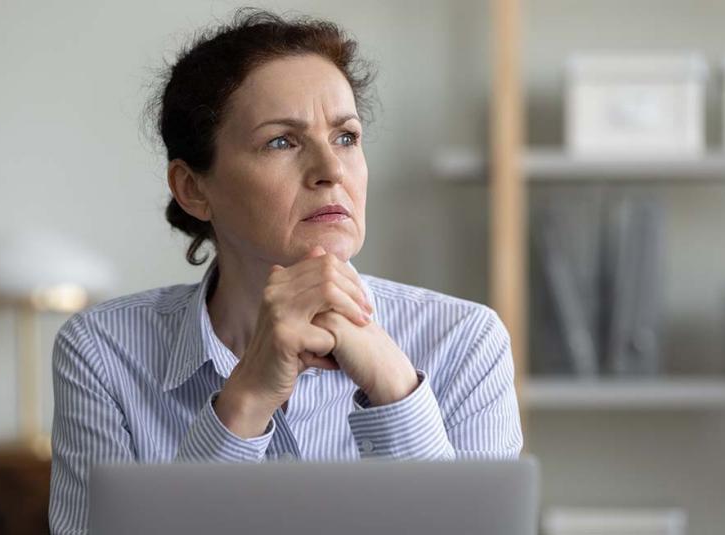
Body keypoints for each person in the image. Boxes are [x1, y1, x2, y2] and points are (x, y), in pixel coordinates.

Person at [49, 8, 522, 534]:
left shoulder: (465, 342)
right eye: (282, 141)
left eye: (345, 136)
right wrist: (245, 398)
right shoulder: (103, 351)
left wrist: (394, 387)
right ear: (193, 189)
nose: (332, 171)